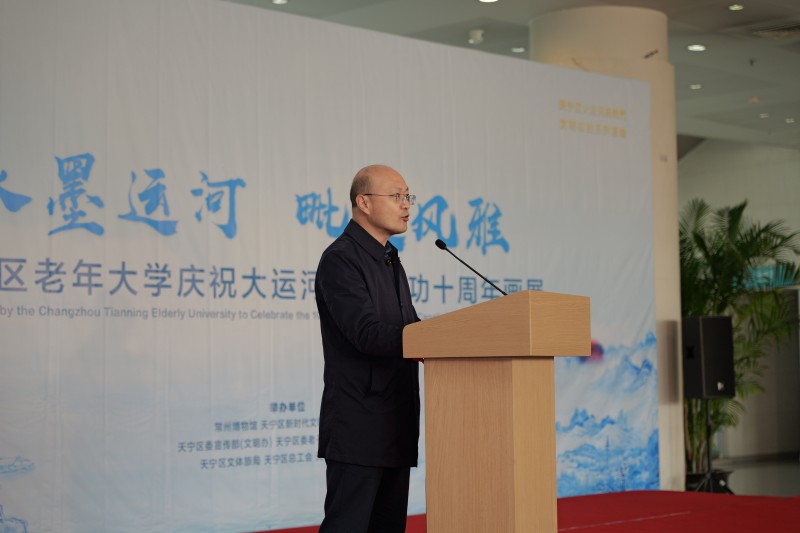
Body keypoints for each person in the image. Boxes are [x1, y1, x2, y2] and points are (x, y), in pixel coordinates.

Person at [314, 164, 421, 533]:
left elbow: (408, 328)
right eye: (396, 196)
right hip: (359, 426)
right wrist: (424, 338)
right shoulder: (340, 258)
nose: (406, 205)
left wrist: (442, 337)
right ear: (363, 202)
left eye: (408, 196)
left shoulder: (390, 259)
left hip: (397, 423)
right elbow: (366, 333)